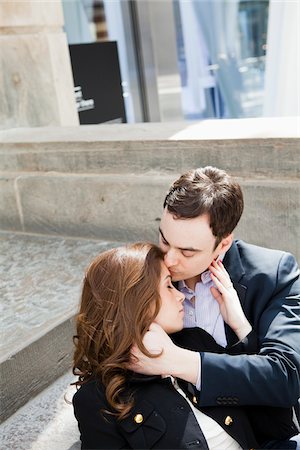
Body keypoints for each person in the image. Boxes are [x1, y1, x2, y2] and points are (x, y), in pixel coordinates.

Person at [130, 166, 300, 449]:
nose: (169, 259)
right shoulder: (147, 270)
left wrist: (178, 360)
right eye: (164, 239)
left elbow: (286, 377)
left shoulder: (273, 274)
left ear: (223, 243)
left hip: (264, 437)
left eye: (187, 251)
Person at [72, 242, 265, 449]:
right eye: (168, 286)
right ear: (136, 301)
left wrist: (240, 326)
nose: (180, 295)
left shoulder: (197, 342)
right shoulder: (99, 399)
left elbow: (273, 414)